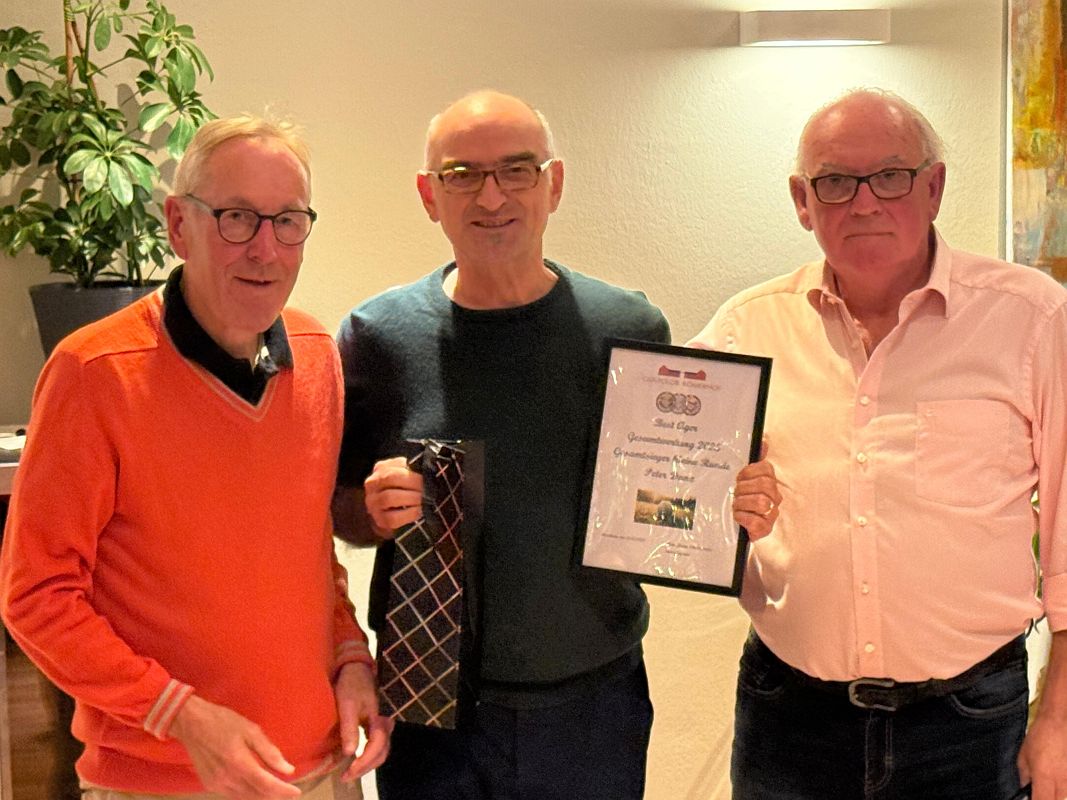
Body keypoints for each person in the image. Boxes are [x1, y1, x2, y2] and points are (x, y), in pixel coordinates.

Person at [332, 89, 777, 800]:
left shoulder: (627, 329)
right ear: (428, 194)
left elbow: (664, 502)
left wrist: (729, 501)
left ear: (554, 184)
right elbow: (340, 512)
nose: (491, 196)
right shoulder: (377, 337)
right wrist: (372, 511)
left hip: (592, 703)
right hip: (430, 706)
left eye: (517, 169)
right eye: (461, 174)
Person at [690, 88, 1067, 800]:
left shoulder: (1032, 320)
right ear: (802, 202)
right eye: (835, 181)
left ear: (934, 187)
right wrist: (720, 509)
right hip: (788, 718)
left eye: (890, 176)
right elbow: (673, 490)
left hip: (968, 723)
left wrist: (1060, 720)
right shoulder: (745, 332)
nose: (864, 203)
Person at [0, 115, 390, 800]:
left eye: (288, 221)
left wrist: (351, 659)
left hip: (323, 770)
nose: (265, 249)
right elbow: (37, 598)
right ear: (179, 224)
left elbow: (307, 555)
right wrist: (180, 715)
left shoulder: (317, 357)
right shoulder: (94, 372)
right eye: (237, 218)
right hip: (163, 782)